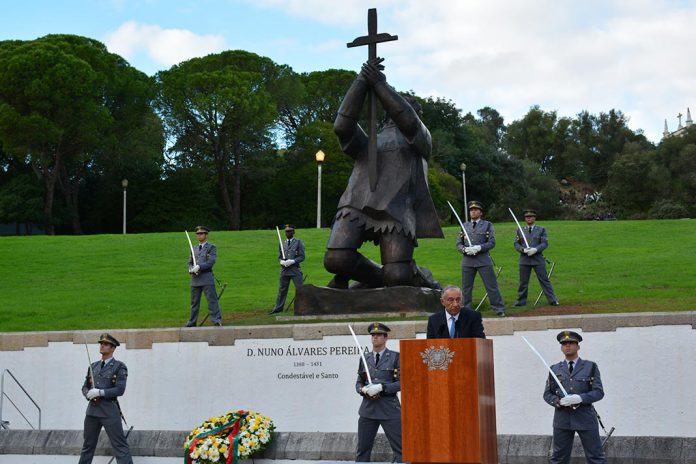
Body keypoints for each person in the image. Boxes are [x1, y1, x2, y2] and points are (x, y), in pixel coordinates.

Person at [324, 57, 443, 289]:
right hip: (355, 204)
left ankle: (414, 275)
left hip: (396, 208)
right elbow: (342, 126)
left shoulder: (420, 137)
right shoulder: (369, 142)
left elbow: (408, 122)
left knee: (397, 276)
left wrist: (379, 84)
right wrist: (361, 81)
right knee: (337, 259)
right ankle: (376, 280)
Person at [543, 331, 606, 464]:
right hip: (562, 419)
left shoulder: (590, 367)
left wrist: (580, 398)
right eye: (564, 343)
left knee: (596, 457)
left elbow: (598, 392)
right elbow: (547, 394)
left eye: (571, 343)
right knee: (558, 459)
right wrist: (558, 401)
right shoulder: (554, 369)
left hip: (585, 418)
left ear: (578, 346)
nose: (567, 346)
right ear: (561, 347)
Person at [78, 333, 133, 464]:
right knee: (87, 446)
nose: (102, 346)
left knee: (119, 446)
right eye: (101, 344)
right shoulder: (93, 366)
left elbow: (120, 389)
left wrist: (100, 392)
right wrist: (88, 394)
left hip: (109, 411)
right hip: (92, 412)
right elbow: (85, 387)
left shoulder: (119, 366)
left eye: (106, 344)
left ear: (113, 348)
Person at [355, 322, 402, 462]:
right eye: (373, 335)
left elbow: (402, 383)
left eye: (379, 335)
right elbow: (359, 381)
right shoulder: (365, 358)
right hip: (368, 410)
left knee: (401, 448)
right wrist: (362, 389)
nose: (375, 337)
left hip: (389, 409)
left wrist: (382, 387)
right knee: (362, 450)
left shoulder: (395, 357)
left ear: (386, 338)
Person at [456, 201, 505, 316]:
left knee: (491, 286)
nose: (473, 212)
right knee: (466, 288)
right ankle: (465, 310)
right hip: (467, 261)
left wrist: (479, 248)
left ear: (480, 213)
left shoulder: (487, 225)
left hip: (483, 260)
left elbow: (492, 242)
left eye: (475, 210)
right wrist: (464, 249)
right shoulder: (464, 225)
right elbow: (459, 243)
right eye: (471, 210)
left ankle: (498, 308)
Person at [513, 209, 559, 307]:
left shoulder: (541, 230)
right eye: (527, 217)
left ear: (534, 218)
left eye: (531, 217)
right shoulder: (520, 230)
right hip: (524, 259)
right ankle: (521, 301)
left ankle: (552, 300)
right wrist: (523, 250)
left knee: (544, 280)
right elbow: (516, 244)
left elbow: (544, 243)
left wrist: (535, 249)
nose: (529, 218)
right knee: (523, 282)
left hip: (538, 259)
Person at [185, 226, 223, 327]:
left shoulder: (211, 247)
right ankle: (192, 322)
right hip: (195, 279)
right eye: (198, 234)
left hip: (207, 278)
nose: (199, 235)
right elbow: (189, 262)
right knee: (194, 303)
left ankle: (216, 320)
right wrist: (191, 269)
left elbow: (211, 262)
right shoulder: (194, 248)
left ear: (206, 235)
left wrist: (199, 267)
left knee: (212, 301)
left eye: (201, 233)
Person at [269, 224, 305, 315]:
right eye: (286, 231)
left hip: (295, 270)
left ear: (293, 232)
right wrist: (281, 261)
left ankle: (303, 307)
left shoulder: (298, 242)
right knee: (282, 290)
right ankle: (278, 308)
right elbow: (280, 256)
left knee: (300, 289)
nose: (288, 233)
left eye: (290, 231)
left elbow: (302, 256)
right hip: (284, 270)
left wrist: (292, 261)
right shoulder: (282, 243)